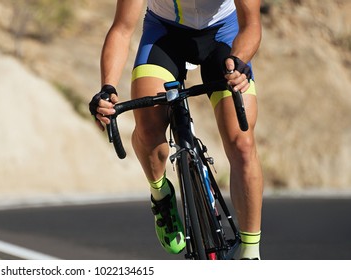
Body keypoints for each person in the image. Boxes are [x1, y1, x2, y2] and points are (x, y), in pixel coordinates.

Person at [89, 0, 264, 260]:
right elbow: (122, 29)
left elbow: (251, 24)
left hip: (222, 34)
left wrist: (239, 62)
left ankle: (250, 252)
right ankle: (161, 194)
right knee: (148, 128)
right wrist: (107, 88)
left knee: (242, 143)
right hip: (165, 34)